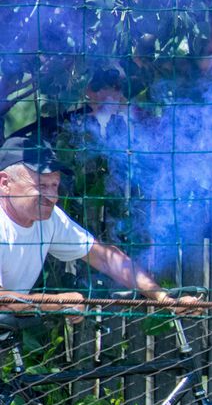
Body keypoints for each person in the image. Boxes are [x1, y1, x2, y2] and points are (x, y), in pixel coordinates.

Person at [0, 136, 197, 318]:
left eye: (55, 186)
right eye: (41, 186)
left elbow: (104, 257)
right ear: (4, 183)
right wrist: (56, 303)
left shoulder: (50, 219)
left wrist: (163, 298)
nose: (53, 197)